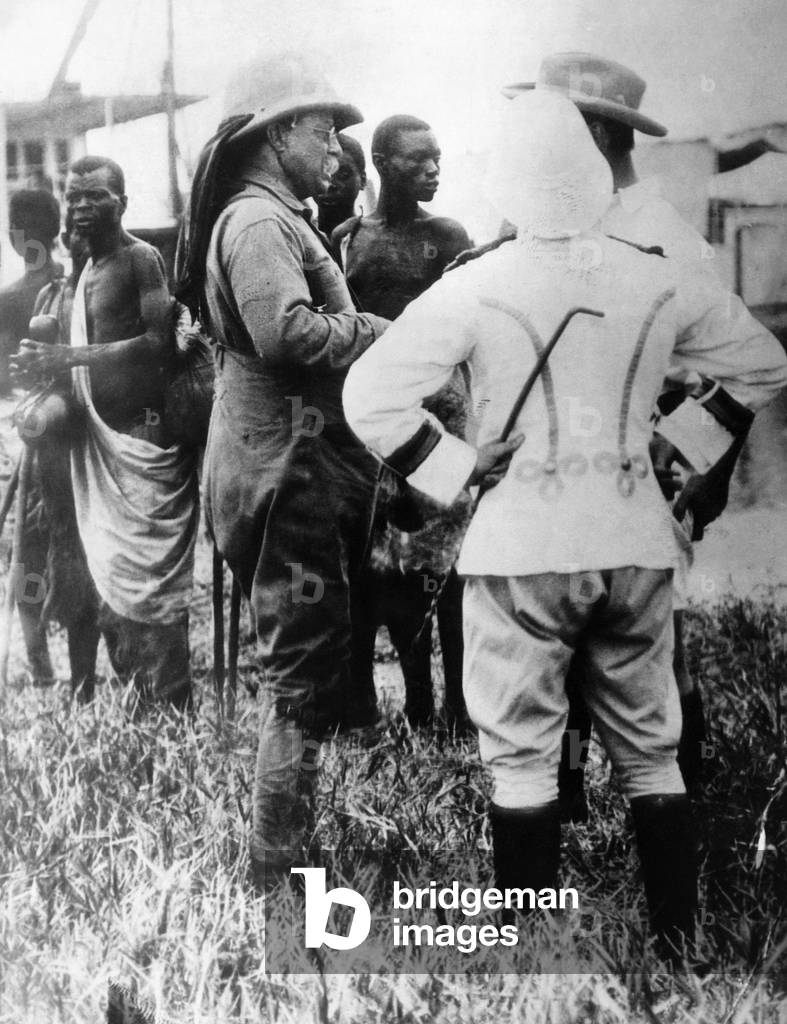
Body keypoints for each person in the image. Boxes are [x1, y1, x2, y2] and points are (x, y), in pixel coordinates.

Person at [343, 89, 787, 965]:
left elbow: (369, 394)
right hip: (633, 537)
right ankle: (677, 944)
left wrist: (457, 469)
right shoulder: (656, 274)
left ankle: (534, 954)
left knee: (520, 756)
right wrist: (680, 441)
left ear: (508, 181)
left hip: (521, 545)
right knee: (651, 752)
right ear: (591, 177)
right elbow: (762, 361)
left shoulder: (474, 283)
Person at [502, 52, 735, 808]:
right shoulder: (555, 216)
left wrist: (705, 465)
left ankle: (682, 800)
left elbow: (733, 370)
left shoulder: (659, 233)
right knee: (559, 645)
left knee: (655, 646)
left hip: (642, 455)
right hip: (558, 455)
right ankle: (564, 792)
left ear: (596, 131)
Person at [179, 53, 389, 887]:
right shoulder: (261, 224)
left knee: (303, 674)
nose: (338, 149)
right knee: (300, 685)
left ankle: (281, 862)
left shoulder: (270, 215)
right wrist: (373, 328)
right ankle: (275, 877)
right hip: (284, 473)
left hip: (284, 465)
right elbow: (289, 336)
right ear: (275, 135)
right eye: (323, 129)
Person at [12, 155, 198, 709]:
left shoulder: (141, 260)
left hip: (138, 445)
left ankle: (172, 701)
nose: (82, 208)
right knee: (101, 576)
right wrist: (44, 368)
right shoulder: (81, 276)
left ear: (123, 202)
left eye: (95, 196)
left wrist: (69, 356)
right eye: (74, 198)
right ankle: (136, 696)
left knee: (148, 584)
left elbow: (157, 346)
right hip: (89, 450)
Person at [333, 114, 472, 730]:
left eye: (438, 158)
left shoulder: (449, 235)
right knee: (387, 565)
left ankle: (462, 705)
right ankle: (416, 705)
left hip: (443, 412)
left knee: (452, 562)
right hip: (377, 420)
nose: (434, 170)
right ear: (384, 165)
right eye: (419, 160)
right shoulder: (347, 239)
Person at [0, 189, 63, 397]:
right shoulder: (76, 280)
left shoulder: (8, 298)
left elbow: (4, 378)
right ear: (55, 230)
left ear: (13, 236)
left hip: (27, 403)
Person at [315, 132, 367, 239]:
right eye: (323, 174)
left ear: (363, 180)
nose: (330, 185)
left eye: (343, 175)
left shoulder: (373, 240)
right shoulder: (296, 235)